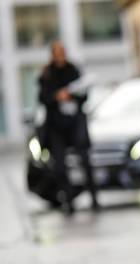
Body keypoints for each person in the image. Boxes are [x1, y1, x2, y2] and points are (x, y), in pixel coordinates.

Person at [38, 41, 98, 214]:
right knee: (60, 167)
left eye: (62, 52)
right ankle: (68, 200)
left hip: (74, 123)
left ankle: (94, 197)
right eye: (57, 52)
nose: (60, 55)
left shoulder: (74, 70)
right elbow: (43, 99)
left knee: (85, 160)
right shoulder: (47, 74)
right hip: (56, 127)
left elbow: (84, 95)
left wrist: (71, 95)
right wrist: (57, 96)